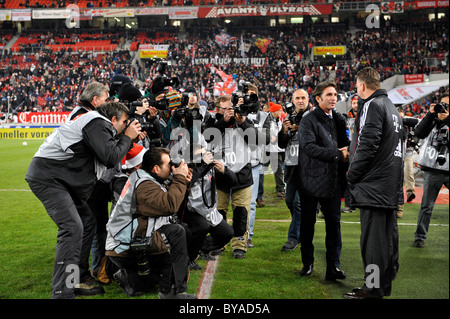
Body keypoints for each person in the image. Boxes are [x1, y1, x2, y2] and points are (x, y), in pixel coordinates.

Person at [25, 102, 141, 299]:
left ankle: (75, 279)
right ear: (112, 120)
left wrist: (124, 138)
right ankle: (62, 293)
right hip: (50, 178)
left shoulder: (97, 125)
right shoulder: (97, 120)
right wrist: (128, 137)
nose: (125, 126)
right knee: (72, 228)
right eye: (123, 123)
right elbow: (110, 157)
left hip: (61, 180)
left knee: (86, 222)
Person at [105, 147, 197, 299]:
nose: (172, 168)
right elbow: (169, 205)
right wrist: (179, 179)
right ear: (156, 168)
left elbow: (167, 201)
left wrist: (182, 182)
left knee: (181, 232)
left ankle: (131, 279)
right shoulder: (144, 185)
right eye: (169, 164)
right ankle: (170, 293)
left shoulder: (145, 179)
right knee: (175, 234)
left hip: (130, 239)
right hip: (123, 246)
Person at [344, 67, 403, 299]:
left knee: (372, 243)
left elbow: (367, 144)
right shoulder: (392, 108)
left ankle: (372, 288)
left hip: (374, 185)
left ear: (361, 86)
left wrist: (352, 175)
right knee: (387, 240)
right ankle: (383, 285)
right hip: (388, 184)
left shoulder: (371, 105)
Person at [297, 81, 349, 281]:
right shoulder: (308, 120)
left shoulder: (339, 118)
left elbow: (346, 146)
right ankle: (307, 263)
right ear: (318, 99)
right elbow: (309, 148)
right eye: (329, 94)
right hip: (311, 181)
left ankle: (333, 267)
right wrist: (337, 154)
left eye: (335, 94)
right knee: (308, 225)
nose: (333, 98)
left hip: (334, 181)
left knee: (334, 226)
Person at [205, 95, 257, 259]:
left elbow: (255, 140)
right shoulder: (212, 122)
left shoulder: (244, 120)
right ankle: (219, 243)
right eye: (226, 109)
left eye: (231, 108)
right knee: (218, 212)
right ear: (218, 110)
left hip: (242, 173)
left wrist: (242, 122)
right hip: (220, 174)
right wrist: (224, 121)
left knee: (241, 212)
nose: (230, 111)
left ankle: (240, 245)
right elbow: (209, 138)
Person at [180, 146, 235, 269]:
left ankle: (202, 248)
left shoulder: (210, 168)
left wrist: (224, 171)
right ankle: (189, 258)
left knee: (227, 233)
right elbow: (190, 180)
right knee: (202, 226)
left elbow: (233, 182)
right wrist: (203, 166)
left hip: (208, 209)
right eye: (201, 155)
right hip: (190, 211)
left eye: (205, 154)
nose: (205, 157)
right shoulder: (186, 167)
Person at [413, 92, 449, 248]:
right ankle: (420, 237)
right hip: (432, 167)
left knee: (427, 205)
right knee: (426, 205)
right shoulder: (432, 119)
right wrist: (429, 114)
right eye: (444, 105)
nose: (445, 109)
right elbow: (418, 132)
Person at [278, 89, 311, 251]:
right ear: (293, 100)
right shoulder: (289, 117)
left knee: (298, 203)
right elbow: (281, 144)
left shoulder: (313, 116)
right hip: (291, 167)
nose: (300, 100)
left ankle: (293, 238)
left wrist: (301, 129)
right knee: (290, 201)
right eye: (297, 98)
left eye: (303, 98)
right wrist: (285, 130)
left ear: (308, 99)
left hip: (307, 168)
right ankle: (301, 232)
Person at [246, 83, 270, 248]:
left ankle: (248, 235)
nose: (250, 97)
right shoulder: (236, 111)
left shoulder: (263, 116)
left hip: (253, 162)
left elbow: (266, 138)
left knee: (251, 203)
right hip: (234, 162)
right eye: (247, 94)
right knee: (230, 202)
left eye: (253, 94)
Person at [267, 102, 286, 199]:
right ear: (275, 111)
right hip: (273, 149)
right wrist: (270, 138)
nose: (281, 112)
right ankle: (280, 190)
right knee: (278, 170)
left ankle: (283, 188)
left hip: (281, 148)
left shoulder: (278, 120)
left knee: (284, 169)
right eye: (280, 110)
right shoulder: (267, 121)